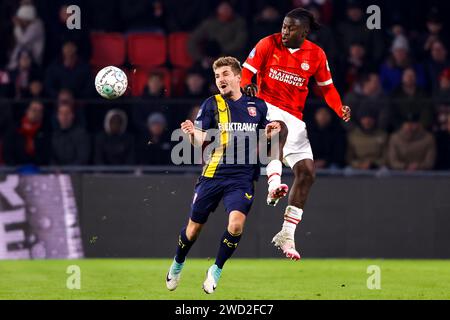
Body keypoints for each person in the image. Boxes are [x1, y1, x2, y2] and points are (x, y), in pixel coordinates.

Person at [166, 56, 286, 294]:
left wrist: (272, 132)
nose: (220, 79)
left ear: (238, 77)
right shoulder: (212, 104)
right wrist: (191, 134)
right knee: (193, 230)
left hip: (242, 177)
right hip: (213, 174)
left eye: (225, 74)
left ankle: (216, 270)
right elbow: (201, 139)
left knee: (236, 225)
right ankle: (178, 264)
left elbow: (263, 138)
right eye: (217, 76)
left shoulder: (257, 106)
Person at [240, 8, 351, 260]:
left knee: (307, 173)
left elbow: (327, 88)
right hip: (265, 108)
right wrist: (248, 84)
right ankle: (272, 185)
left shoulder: (316, 54)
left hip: (296, 118)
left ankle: (287, 234)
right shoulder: (268, 43)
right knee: (280, 128)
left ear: (304, 32)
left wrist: (339, 107)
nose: (285, 31)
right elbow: (247, 70)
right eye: (283, 26)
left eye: (290, 28)